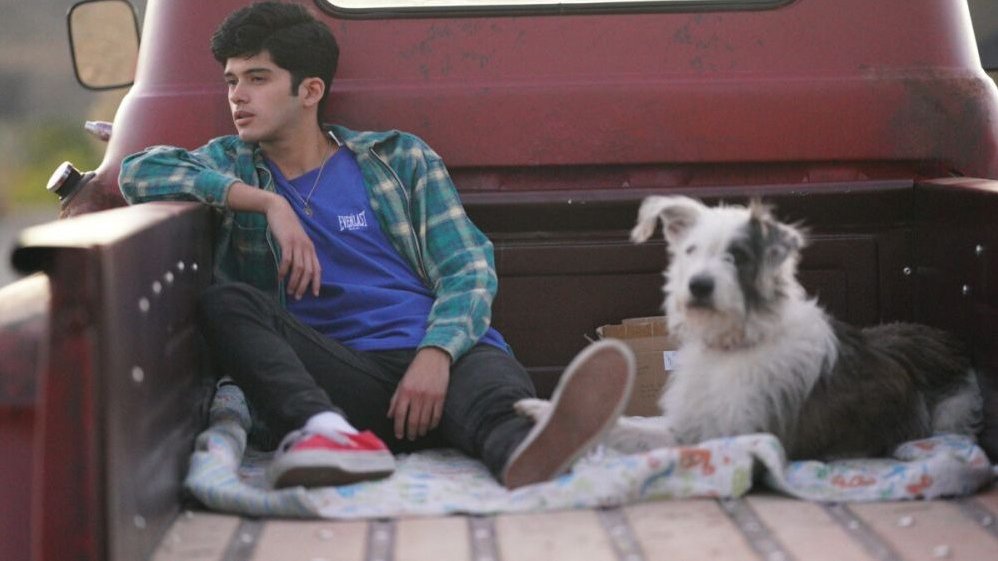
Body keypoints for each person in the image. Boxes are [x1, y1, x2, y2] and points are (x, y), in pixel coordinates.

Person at [118, 1, 633, 490]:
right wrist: (267, 204)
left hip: (446, 358)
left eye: (258, 78)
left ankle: (531, 449)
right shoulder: (231, 163)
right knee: (226, 304)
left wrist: (435, 355)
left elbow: (468, 269)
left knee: (494, 403)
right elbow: (139, 171)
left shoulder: (398, 158)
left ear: (310, 90)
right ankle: (326, 434)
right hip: (346, 378)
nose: (237, 96)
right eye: (231, 80)